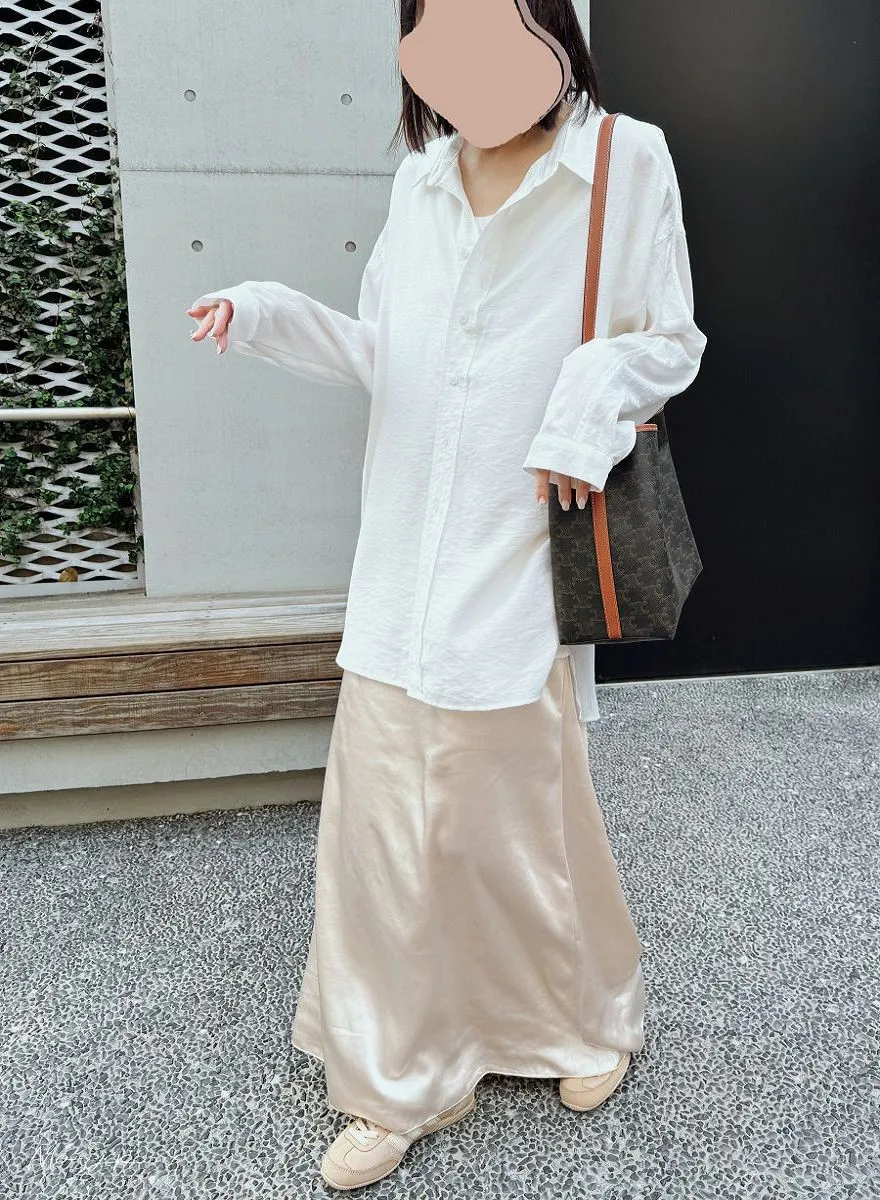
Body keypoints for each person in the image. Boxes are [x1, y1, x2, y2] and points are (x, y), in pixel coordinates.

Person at [187, 2, 707, 1189]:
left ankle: (579, 1024)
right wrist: (267, 314)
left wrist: (578, 415)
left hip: (517, 549)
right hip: (399, 566)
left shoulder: (623, 163)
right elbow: (388, 355)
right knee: (384, 835)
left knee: (511, 826)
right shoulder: (421, 182)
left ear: (550, 32)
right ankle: (395, 1080)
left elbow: (666, 340)